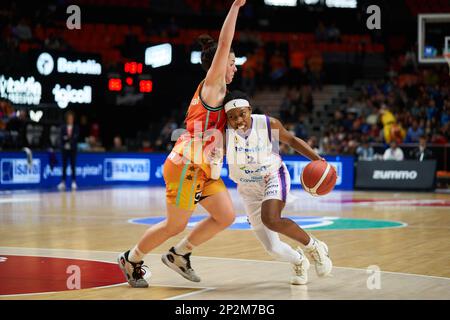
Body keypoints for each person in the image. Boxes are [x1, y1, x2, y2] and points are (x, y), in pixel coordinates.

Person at [117, 0, 246, 288]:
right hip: (187, 164)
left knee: (225, 215)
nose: (235, 68)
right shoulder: (214, 85)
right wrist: (236, 6)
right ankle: (131, 258)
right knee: (175, 224)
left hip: (203, 168)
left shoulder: (219, 95)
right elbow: (225, 41)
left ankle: (179, 254)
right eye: (232, 62)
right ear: (219, 63)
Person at [219, 90, 332, 285]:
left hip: (273, 175)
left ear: (250, 110)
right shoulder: (223, 135)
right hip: (247, 188)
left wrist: (318, 160)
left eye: (242, 114)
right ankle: (299, 261)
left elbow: (293, 141)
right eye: (232, 117)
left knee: (271, 219)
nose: (238, 120)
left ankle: (315, 247)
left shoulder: (267, 123)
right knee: (273, 248)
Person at [58, 111, 79, 191]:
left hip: (73, 150)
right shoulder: (63, 127)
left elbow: (75, 138)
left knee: (73, 165)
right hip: (65, 149)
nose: (70, 120)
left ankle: (73, 182)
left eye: (72, 118)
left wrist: (68, 139)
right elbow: (61, 138)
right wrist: (66, 140)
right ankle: (63, 182)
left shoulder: (76, 127)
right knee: (64, 166)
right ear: (67, 119)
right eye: (69, 118)